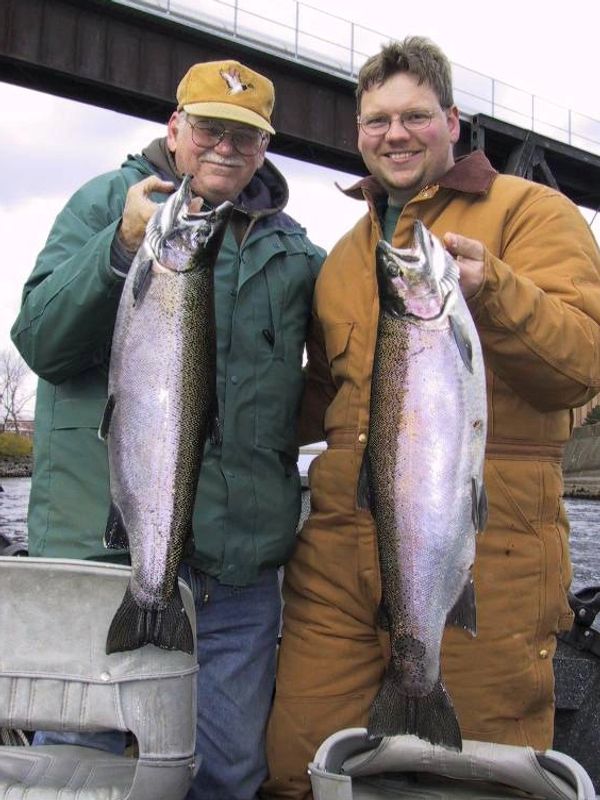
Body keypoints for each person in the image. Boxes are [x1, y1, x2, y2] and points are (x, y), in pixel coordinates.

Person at [263, 36, 600, 799]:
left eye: (415, 115)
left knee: (477, 779)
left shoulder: (535, 212)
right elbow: (322, 395)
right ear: (358, 134)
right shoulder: (344, 253)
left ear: (454, 121)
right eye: (377, 120)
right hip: (337, 559)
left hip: (488, 552)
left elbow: (581, 362)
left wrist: (496, 290)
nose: (396, 134)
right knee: (296, 768)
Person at [11, 59, 325, 800]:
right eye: (210, 127)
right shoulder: (104, 204)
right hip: (105, 552)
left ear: (265, 146)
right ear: (174, 127)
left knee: (228, 772)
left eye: (245, 137)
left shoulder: (296, 251)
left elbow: (316, 389)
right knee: (80, 765)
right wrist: (119, 246)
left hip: (238, 572)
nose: (226, 146)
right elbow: (41, 342)